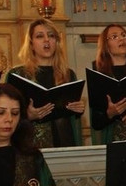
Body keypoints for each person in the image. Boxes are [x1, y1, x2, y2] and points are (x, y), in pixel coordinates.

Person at [10, 19, 84, 148]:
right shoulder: (19, 74)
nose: (46, 40)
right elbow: (7, 113)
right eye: (40, 36)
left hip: (65, 141)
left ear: (56, 42)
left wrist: (78, 109)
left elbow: (72, 116)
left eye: (51, 36)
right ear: (31, 44)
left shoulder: (67, 74)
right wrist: (28, 115)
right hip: (32, 144)